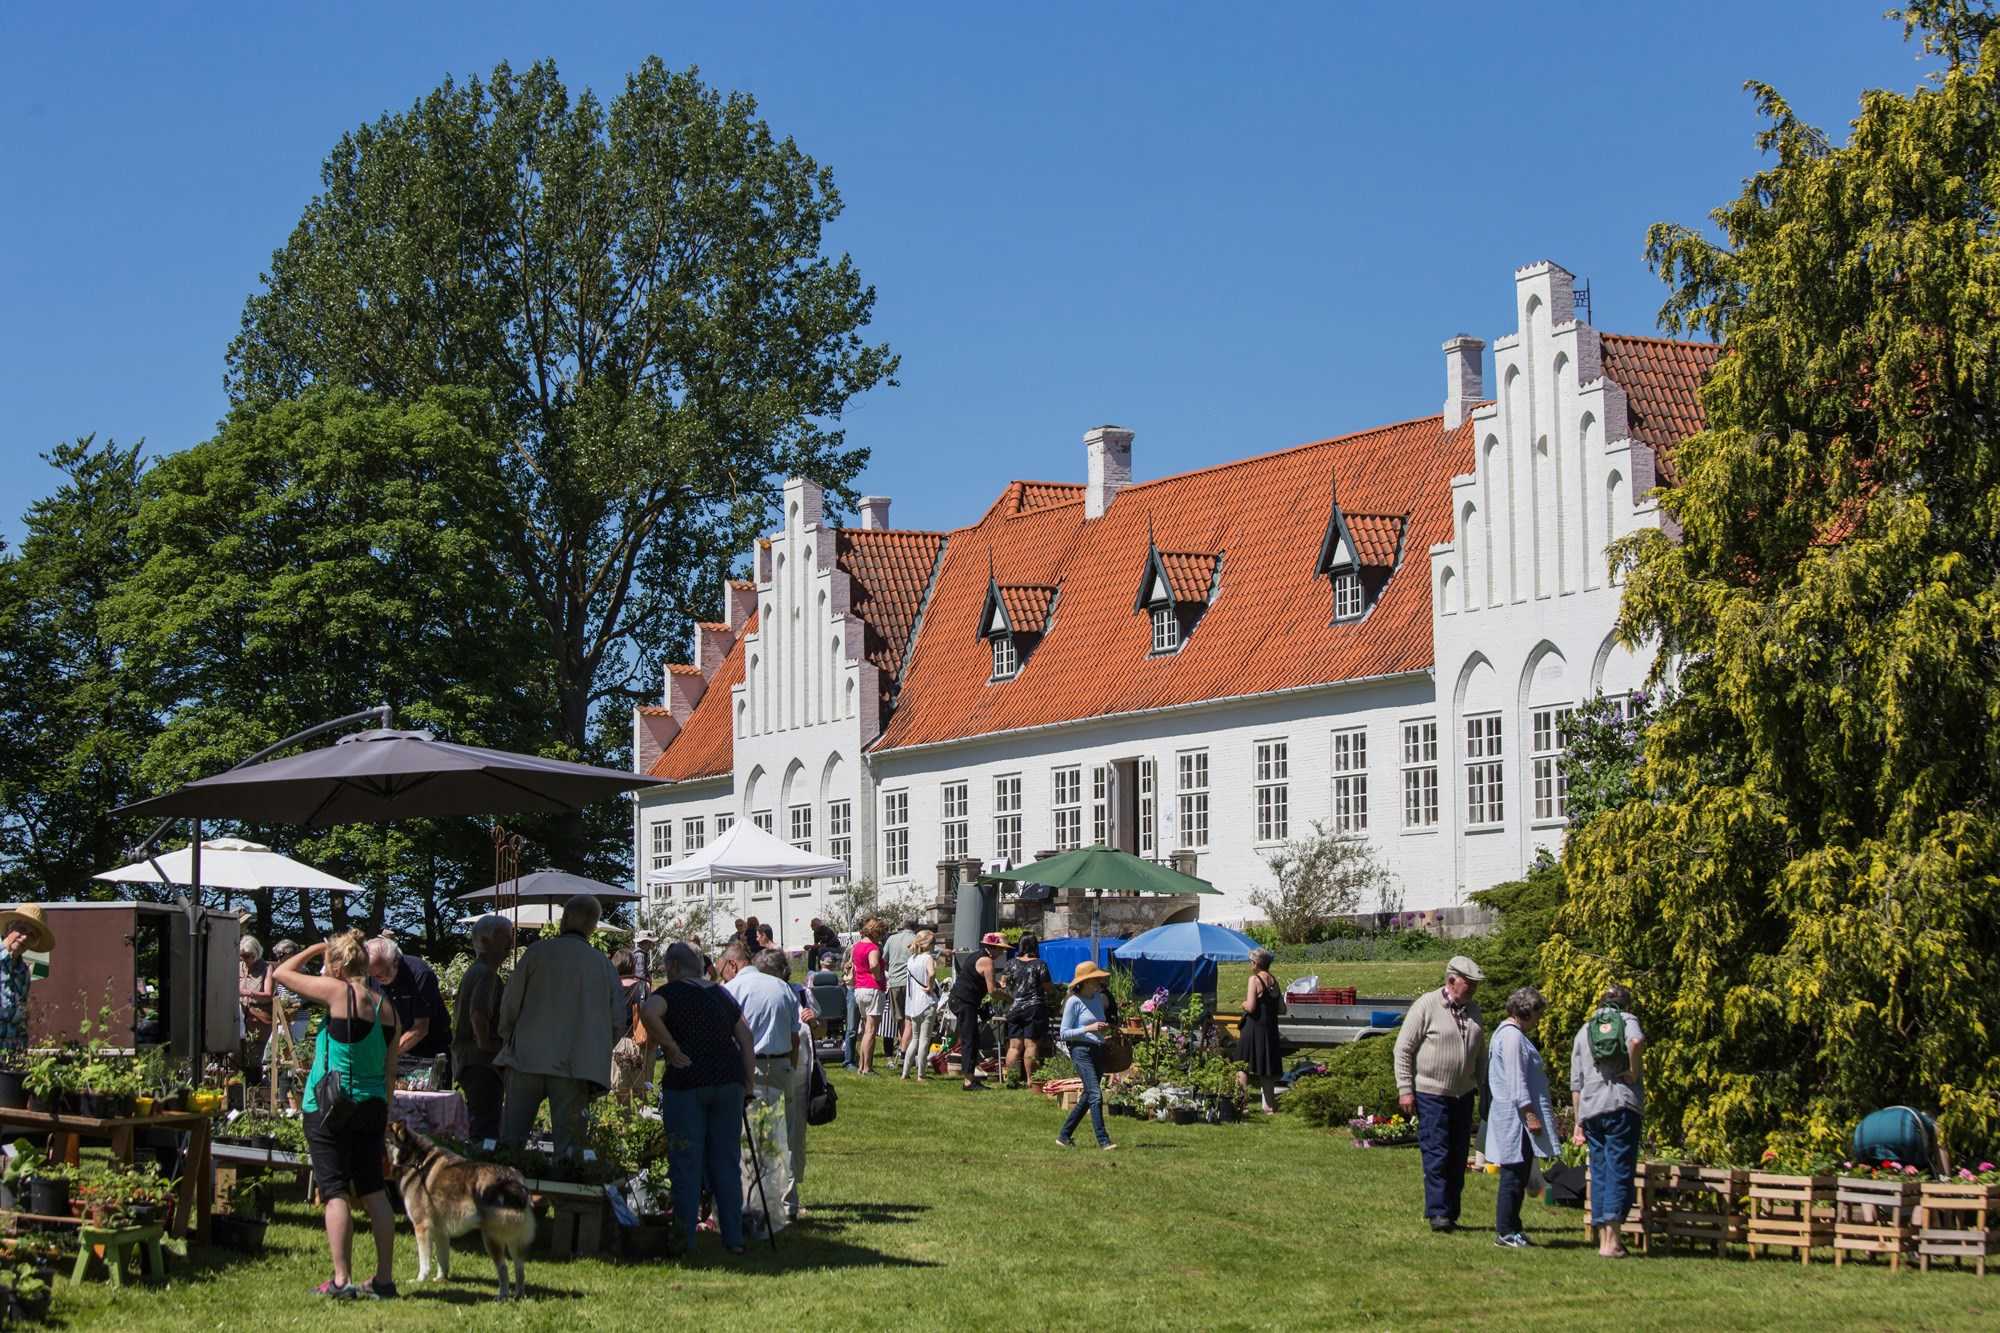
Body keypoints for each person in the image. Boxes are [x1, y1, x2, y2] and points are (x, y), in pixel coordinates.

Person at [274, 931, 401, 1300]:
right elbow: (390, 1069)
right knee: (374, 1190)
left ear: (340, 965)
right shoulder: (388, 1007)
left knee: (334, 1191)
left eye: (328, 964)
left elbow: (281, 974)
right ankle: (384, 1280)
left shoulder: (338, 993)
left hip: (331, 1106)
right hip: (373, 1106)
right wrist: (384, 1112)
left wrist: (315, 948)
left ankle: (342, 1280)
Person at [639, 942, 756, 1256]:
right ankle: (734, 1239)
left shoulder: (671, 992)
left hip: (687, 1081)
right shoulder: (720, 993)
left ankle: (684, 1238)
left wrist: (671, 1047)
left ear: (673, 968)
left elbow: (647, 1012)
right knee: (726, 1161)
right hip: (728, 1080)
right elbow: (745, 1036)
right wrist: (748, 1082)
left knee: (686, 1161)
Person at [494, 895, 624, 1160]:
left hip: (526, 1058)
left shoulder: (536, 953)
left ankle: (503, 1192)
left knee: (511, 1141)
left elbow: (509, 1005)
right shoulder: (603, 965)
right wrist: (594, 1050)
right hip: (574, 1065)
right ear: (594, 926)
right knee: (570, 1149)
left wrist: (509, 1039)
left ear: (564, 920)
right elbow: (617, 1021)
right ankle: (565, 1198)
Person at [1394, 955, 1486, 1233]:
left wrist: (1486, 1089)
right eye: (1468, 986)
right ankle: (1438, 1214)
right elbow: (1403, 1049)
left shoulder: (1474, 1010)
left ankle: (1451, 1212)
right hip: (1432, 1093)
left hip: (1463, 1093)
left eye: (1475, 987)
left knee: (1458, 1155)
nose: (1472, 991)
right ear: (1451, 981)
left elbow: (1480, 1055)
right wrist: (1405, 1090)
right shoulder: (1427, 1005)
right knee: (1438, 1152)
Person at [726, 944, 805, 1221]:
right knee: (785, 1135)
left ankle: (750, 1201)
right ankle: (788, 1203)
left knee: (747, 1135)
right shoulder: (784, 989)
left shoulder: (734, 988)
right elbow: (795, 1037)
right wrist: (791, 1067)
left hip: (749, 1065)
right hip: (781, 1063)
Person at [1569, 982, 1645, 1257]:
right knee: (1619, 1170)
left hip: (1590, 1110)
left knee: (1600, 1172)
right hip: (1620, 1104)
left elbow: (1575, 1083)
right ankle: (1612, 1243)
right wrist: (1633, 1073)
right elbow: (1636, 1042)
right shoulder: (1627, 1020)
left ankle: (1604, 1240)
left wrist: (1578, 1122)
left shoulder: (1584, 1030)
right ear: (1627, 1004)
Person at [1485, 986, 1556, 1249]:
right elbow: (1516, 1080)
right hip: (1516, 1118)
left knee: (1520, 1171)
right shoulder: (1512, 1037)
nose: (1538, 1021)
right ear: (1528, 1011)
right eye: (1538, 1014)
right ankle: (1505, 1231)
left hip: (1514, 1115)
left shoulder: (1508, 1034)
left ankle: (1514, 1226)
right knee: (1513, 1174)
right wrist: (1530, 1114)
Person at [452, 914, 513, 1141]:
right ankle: (483, 1171)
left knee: (481, 1124)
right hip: (482, 1064)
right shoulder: (486, 975)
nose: (510, 944)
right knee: (485, 1130)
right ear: (486, 942)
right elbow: (478, 1015)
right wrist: (490, 1045)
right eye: (504, 937)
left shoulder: (474, 971)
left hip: (471, 1062)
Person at [365, 937, 452, 1074]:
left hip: (428, 1051)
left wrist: (385, 1056)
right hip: (394, 1050)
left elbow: (421, 1028)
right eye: (374, 975)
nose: (379, 978)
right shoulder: (371, 977)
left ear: (396, 961)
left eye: (383, 972)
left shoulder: (420, 974)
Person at [1057, 961, 1118, 1151]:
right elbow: (1064, 1033)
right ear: (1083, 983)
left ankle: (1064, 1135)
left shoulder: (1098, 999)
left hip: (1098, 1048)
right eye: (1095, 980)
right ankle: (1103, 1140)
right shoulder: (1073, 1001)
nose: (1099, 983)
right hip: (1081, 1050)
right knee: (1095, 1095)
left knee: (1087, 1096)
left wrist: (1103, 1032)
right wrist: (1089, 1028)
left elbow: (1097, 1026)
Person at [950, 932, 1008, 1090]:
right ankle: (968, 1082)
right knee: (969, 1040)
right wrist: (1008, 997)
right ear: (993, 948)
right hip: (964, 1001)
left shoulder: (977, 955)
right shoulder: (987, 961)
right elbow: (992, 992)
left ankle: (972, 1078)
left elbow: (982, 978)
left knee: (973, 1039)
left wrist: (997, 984)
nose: (1002, 953)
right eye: (1001, 949)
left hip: (961, 1000)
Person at [0, 905, 53, 1056]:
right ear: (9, 928)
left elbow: (20, 1019)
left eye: (32, 935)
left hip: (9, 1057)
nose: (24, 937)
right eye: (22, 929)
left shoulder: (23, 972)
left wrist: (21, 1052)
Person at [1001, 933, 1052, 1087]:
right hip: (1034, 1008)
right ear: (1035, 946)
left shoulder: (1010, 964)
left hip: (1014, 1007)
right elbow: (1048, 988)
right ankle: (1031, 1080)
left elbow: (1003, 984)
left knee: (1014, 1046)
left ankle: (1011, 1079)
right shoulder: (1040, 964)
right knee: (1031, 1045)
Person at [1238, 948, 1286, 1114]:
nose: (1250, 964)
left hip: (1254, 1028)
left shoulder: (1254, 979)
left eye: (1251, 961)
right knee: (1267, 1069)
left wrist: (1243, 1003)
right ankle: (1269, 1106)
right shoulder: (1274, 980)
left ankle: (1242, 1104)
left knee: (1242, 1065)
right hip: (1270, 1029)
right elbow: (1282, 1009)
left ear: (1256, 963)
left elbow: (1251, 1007)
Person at [900, 930, 940, 1081]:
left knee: (914, 1039)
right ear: (929, 944)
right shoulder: (927, 958)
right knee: (924, 1040)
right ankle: (921, 1074)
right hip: (926, 1002)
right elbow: (931, 973)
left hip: (913, 1004)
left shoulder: (912, 959)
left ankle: (905, 1072)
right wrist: (930, 987)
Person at [849, 918, 887, 1075]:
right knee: (871, 1031)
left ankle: (861, 1066)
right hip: (872, 989)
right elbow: (873, 964)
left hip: (859, 989)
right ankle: (867, 1067)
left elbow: (853, 964)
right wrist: (878, 977)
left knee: (866, 1029)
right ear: (876, 932)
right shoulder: (873, 948)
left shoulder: (856, 946)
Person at [238, 935, 274, 1075]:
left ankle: (256, 1089)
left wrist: (247, 993)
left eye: (247, 956)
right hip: (240, 1018)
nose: (244, 959)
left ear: (256, 953)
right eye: (242, 956)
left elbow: (268, 994)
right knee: (237, 1055)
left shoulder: (266, 968)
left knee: (255, 1057)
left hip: (259, 1019)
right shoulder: (238, 967)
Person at [883, 919, 917, 1058]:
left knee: (899, 1018)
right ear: (915, 926)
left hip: (895, 982)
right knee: (910, 1018)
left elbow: (884, 958)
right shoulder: (916, 938)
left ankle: (901, 1048)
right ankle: (905, 1050)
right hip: (911, 982)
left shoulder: (891, 939)